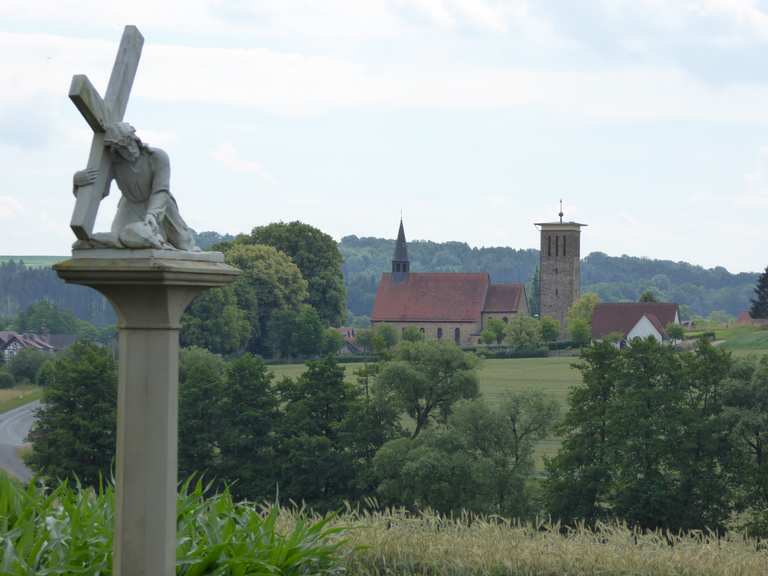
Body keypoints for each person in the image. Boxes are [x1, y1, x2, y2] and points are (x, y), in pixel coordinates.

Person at [73, 122, 198, 251]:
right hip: (130, 206)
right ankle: (89, 242)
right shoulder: (114, 164)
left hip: (160, 206)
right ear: (116, 149)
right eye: (123, 148)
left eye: (130, 143)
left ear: (135, 140)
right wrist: (78, 182)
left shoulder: (157, 157)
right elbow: (98, 193)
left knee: (184, 244)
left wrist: (152, 214)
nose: (129, 149)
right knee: (121, 239)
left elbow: (161, 190)